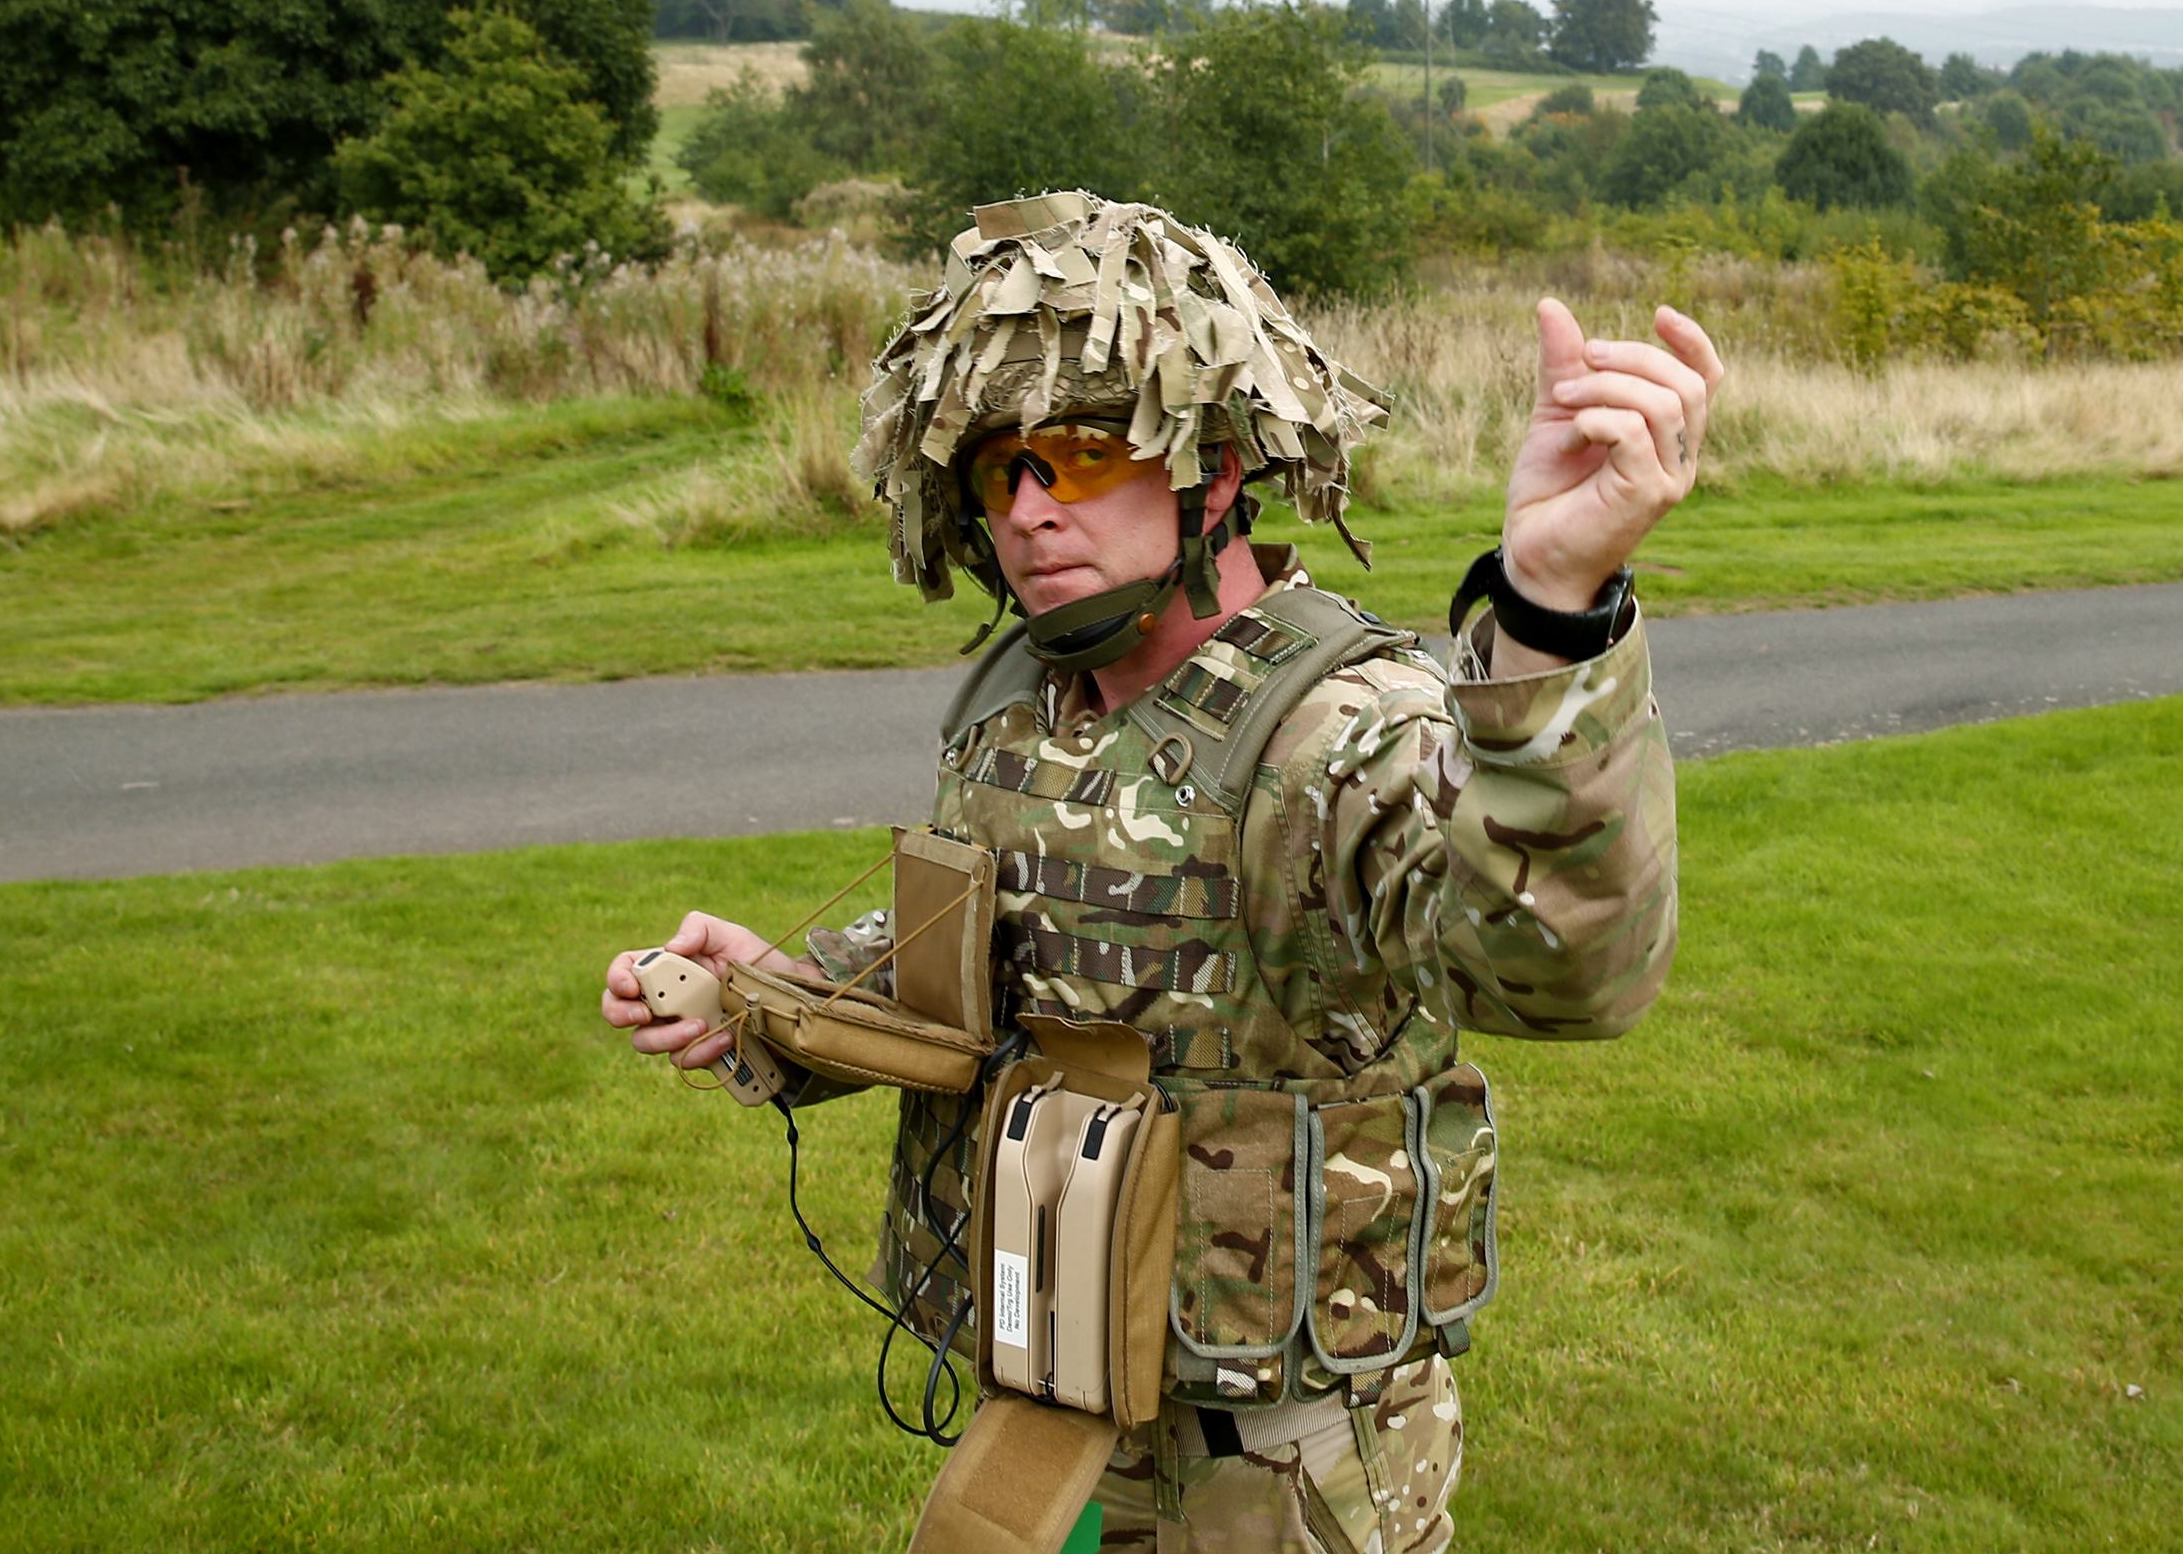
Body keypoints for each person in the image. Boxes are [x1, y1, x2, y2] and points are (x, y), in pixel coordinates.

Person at [601, 192, 1720, 1553]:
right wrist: (778, 1000)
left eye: (1074, 457)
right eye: (993, 470)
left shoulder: (1338, 731)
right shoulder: (1023, 702)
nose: (1026, 511)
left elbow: (1569, 968)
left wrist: (1549, 610)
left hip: (1269, 1467)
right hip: (1052, 1411)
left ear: (1215, 467)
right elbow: (1002, 989)